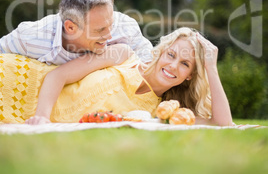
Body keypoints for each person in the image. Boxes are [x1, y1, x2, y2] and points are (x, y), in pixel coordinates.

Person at [0, 27, 233, 126]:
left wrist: (211, 66)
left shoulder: (162, 113)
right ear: (162, 51)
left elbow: (223, 124)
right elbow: (57, 76)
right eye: (171, 54)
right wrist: (42, 119)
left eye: (184, 64)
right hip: (21, 79)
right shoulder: (123, 55)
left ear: (191, 75)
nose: (172, 66)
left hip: (26, 119)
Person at [0, 0, 153, 65]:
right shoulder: (30, 37)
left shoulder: (126, 27)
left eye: (110, 24)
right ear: (71, 27)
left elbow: (152, 65)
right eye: (99, 30)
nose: (109, 35)